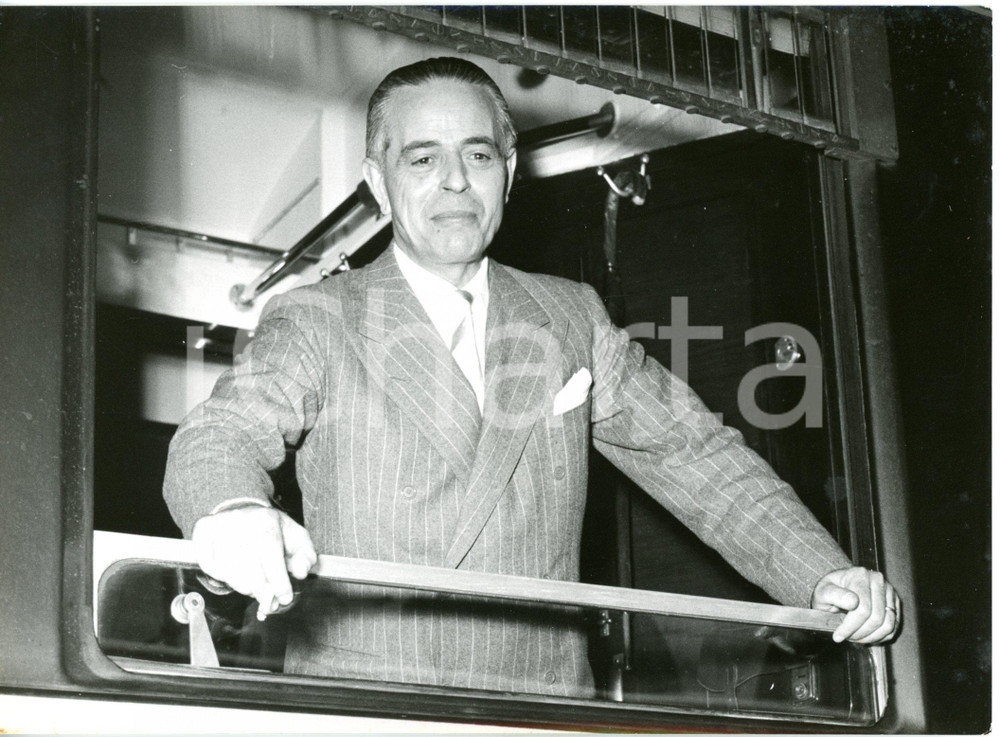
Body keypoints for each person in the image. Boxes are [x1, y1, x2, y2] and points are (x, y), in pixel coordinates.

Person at [163, 57, 899, 696]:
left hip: (542, 702)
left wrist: (820, 574)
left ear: (509, 173)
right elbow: (220, 434)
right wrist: (234, 511)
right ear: (378, 184)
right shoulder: (319, 317)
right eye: (422, 160)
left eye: (479, 155)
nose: (455, 181)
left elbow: (695, 456)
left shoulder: (570, 315)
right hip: (374, 703)